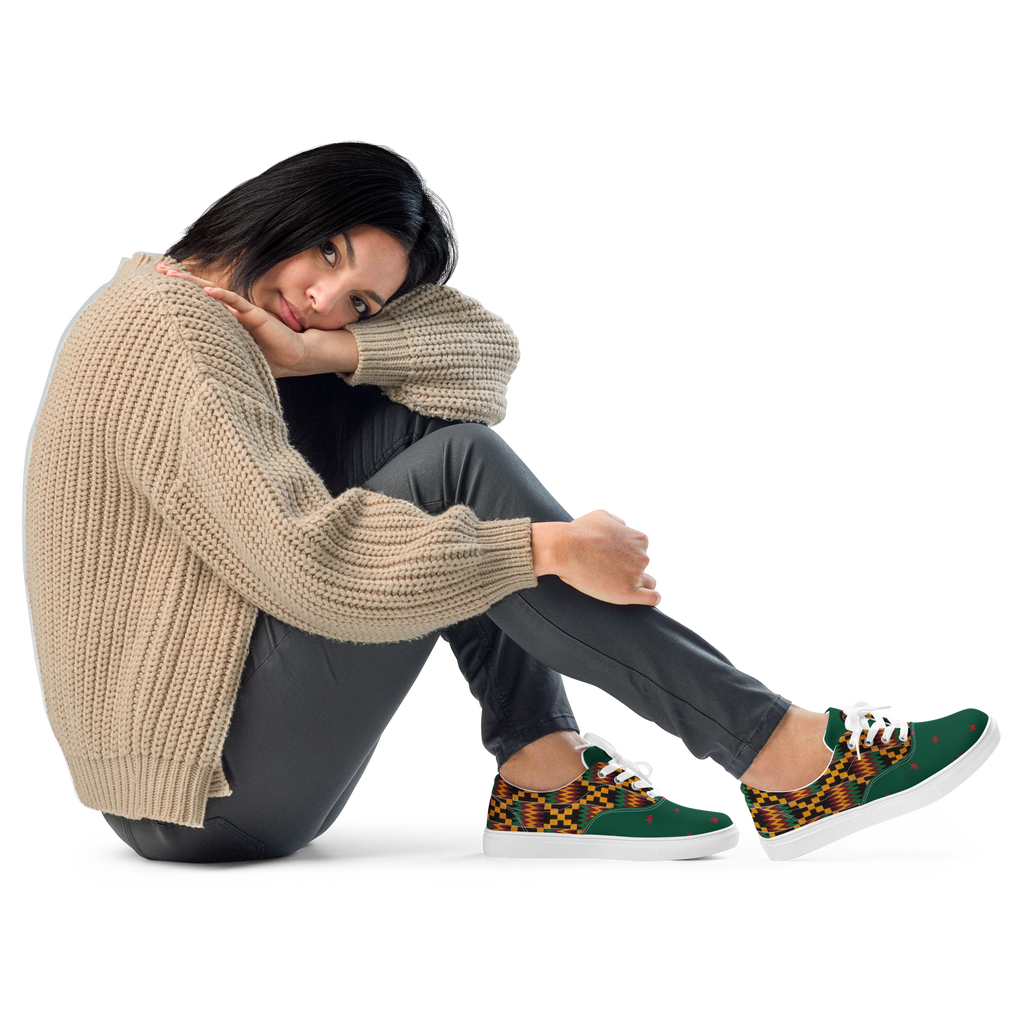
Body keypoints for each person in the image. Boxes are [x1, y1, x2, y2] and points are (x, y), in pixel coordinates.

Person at [23, 139, 1002, 865]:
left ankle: (546, 775)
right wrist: (540, 549)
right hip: (201, 791)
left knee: (443, 437)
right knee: (463, 470)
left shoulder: (198, 307)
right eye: (325, 251)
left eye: (360, 300)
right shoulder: (178, 341)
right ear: (280, 205)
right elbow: (308, 568)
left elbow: (487, 357)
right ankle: (784, 758)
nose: (323, 298)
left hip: (206, 754)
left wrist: (334, 351)